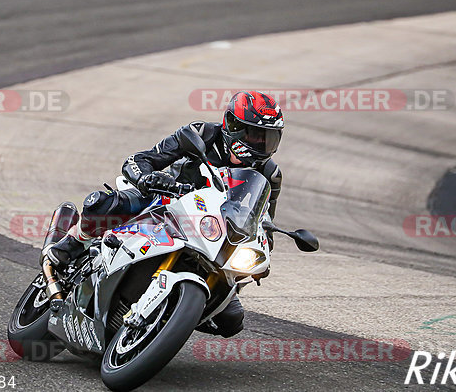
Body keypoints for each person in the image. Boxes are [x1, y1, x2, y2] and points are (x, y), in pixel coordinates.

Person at [42, 90, 284, 337]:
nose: (262, 145)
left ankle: (175, 314)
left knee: (232, 320)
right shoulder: (202, 134)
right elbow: (140, 160)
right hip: (165, 201)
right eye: (256, 136)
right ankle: (72, 244)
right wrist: (147, 178)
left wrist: (261, 255)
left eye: (269, 138)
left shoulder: (270, 174)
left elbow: (264, 223)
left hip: (213, 232)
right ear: (233, 126)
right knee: (102, 205)